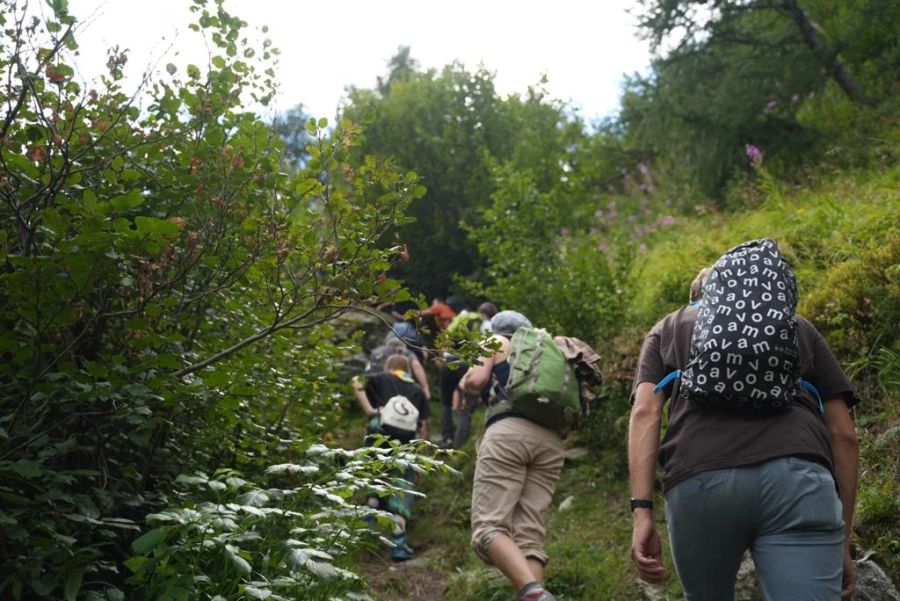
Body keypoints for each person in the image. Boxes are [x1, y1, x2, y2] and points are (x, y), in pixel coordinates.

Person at [628, 261, 860, 601]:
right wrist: (843, 539)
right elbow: (844, 435)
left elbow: (645, 413)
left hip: (701, 479)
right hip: (797, 479)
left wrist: (642, 511)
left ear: (697, 296)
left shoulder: (670, 326)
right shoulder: (796, 326)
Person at [460, 310, 563, 601]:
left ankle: (534, 593)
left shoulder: (495, 341)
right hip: (551, 442)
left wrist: (464, 382)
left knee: (488, 528)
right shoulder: (545, 349)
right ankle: (535, 594)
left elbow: (478, 378)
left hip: (508, 433)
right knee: (529, 537)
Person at [352, 354, 430, 561]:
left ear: (388, 366)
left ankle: (371, 507)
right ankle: (399, 544)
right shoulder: (417, 390)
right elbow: (422, 427)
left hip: (380, 427)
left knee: (375, 467)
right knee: (401, 484)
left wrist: (370, 411)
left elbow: (356, 381)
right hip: (407, 438)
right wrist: (420, 458)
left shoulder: (381, 378)